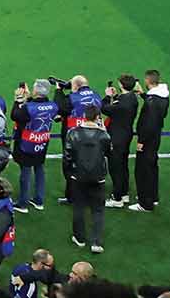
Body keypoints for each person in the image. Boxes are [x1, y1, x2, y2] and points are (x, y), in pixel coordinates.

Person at [62, 103, 111, 254]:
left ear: (84, 116)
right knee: (98, 209)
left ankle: (80, 238)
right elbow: (109, 152)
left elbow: (67, 156)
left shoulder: (73, 133)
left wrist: (69, 173)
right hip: (98, 176)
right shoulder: (103, 135)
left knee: (79, 206)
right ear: (98, 117)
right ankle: (96, 242)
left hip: (78, 175)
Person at [11, 80, 59, 210]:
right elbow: (40, 107)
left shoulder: (28, 108)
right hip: (42, 142)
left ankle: (23, 203)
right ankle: (39, 200)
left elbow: (15, 115)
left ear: (36, 90)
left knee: (25, 172)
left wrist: (18, 100)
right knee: (39, 168)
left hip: (27, 144)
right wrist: (29, 98)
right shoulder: (53, 106)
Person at [129, 71, 169, 212]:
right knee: (152, 167)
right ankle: (152, 196)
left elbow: (149, 122)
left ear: (147, 80)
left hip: (147, 139)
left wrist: (142, 140)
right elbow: (156, 109)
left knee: (143, 170)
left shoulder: (152, 101)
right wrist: (143, 94)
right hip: (155, 137)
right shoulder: (163, 95)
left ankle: (145, 203)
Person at [102, 75, 139, 207]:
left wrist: (107, 96)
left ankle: (117, 198)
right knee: (123, 165)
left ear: (121, 85)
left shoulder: (122, 104)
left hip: (116, 138)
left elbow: (104, 108)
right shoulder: (132, 98)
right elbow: (120, 102)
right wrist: (116, 96)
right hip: (126, 135)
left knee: (115, 167)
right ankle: (124, 193)